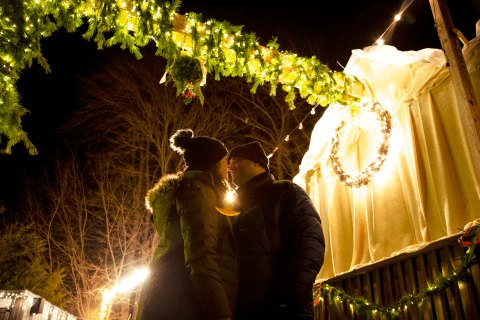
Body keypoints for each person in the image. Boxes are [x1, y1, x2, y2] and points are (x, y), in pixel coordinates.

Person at [137, 129, 238, 320]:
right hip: (184, 303)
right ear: (213, 164)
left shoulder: (192, 190)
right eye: (225, 161)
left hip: (169, 297)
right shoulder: (199, 192)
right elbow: (201, 257)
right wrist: (221, 314)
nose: (228, 168)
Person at [227, 141, 325, 320]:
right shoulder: (233, 208)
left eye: (238, 160)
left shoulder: (286, 192)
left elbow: (310, 243)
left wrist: (290, 299)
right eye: (229, 162)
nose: (230, 166)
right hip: (242, 311)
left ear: (257, 163)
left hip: (281, 308)